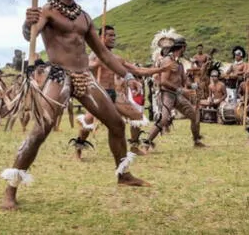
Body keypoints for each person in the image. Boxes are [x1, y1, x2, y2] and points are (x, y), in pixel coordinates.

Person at [0, 0, 149, 210]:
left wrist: (127, 75)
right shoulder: (46, 11)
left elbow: (103, 52)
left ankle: (124, 174)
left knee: (117, 123)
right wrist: (27, 23)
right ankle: (10, 190)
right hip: (58, 75)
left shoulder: (84, 16)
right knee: (42, 129)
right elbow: (28, 36)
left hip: (84, 76)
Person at [71, 25, 173, 160]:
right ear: (102, 38)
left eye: (114, 35)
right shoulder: (93, 55)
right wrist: (95, 64)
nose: (113, 38)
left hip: (114, 94)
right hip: (98, 94)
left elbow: (137, 70)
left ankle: (134, 146)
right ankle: (79, 149)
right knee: (88, 122)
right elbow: (83, 67)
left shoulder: (116, 59)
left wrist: (160, 70)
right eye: (110, 35)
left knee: (137, 116)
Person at [142, 29, 205, 149]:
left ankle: (196, 140)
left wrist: (194, 86)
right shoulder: (167, 61)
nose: (185, 50)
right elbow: (164, 81)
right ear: (182, 48)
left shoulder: (180, 64)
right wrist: (180, 90)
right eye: (185, 48)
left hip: (176, 95)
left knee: (194, 116)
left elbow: (184, 80)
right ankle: (146, 142)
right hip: (166, 94)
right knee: (164, 119)